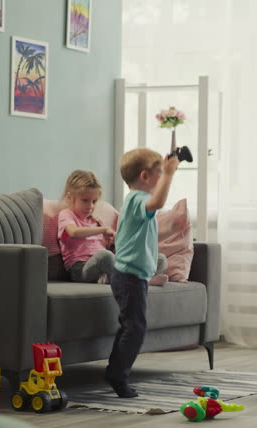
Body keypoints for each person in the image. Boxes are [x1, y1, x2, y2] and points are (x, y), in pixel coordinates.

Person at [105, 147, 179, 398]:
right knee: (135, 328)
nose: (161, 180)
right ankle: (118, 375)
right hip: (129, 277)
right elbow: (157, 201)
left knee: (130, 326)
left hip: (133, 275)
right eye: (158, 175)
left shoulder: (135, 202)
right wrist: (170, 173)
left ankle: (115, 371)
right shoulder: (138, 200)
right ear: (146, 177)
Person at [58, 170, 115, 283]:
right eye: (85, 200)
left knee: (143, 257)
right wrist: (103, 229)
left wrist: (113, 242)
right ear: (69, 198)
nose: (90, 206)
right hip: (80, 268)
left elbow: (107, 248)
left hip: (102, 264)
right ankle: (127, 281)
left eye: (94, 201)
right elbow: (73, 232)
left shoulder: (96, 221)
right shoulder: (66, 214)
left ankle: (107, 278)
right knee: (104, 256)